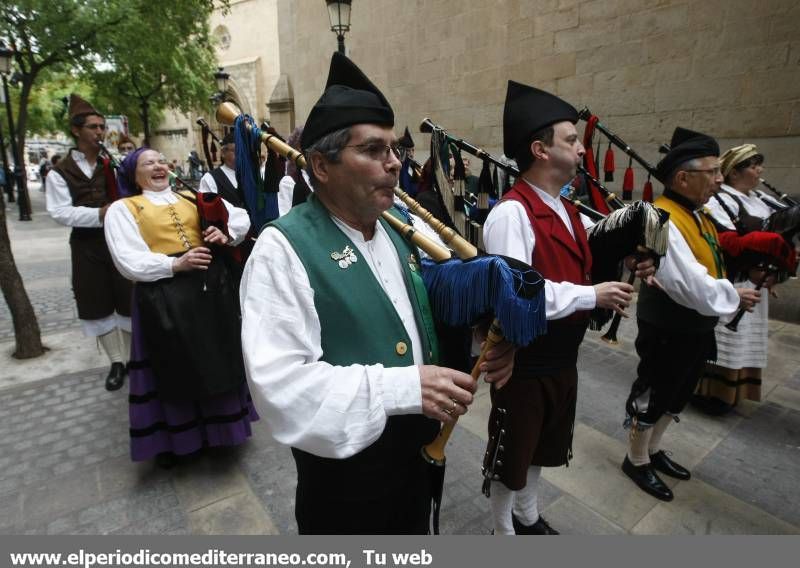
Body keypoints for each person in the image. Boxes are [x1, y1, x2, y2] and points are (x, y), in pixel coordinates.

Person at [240, 52, 514, 534]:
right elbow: (281, 388)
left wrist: (485, 344)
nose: (394, 164)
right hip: (346, 484)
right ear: (321, 166)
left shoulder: (395, 229)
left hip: (415, 458)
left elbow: (415, 322)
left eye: (393, 149)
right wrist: (402, 387)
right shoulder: (282, 249)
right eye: (373, 150)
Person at [481, 81, 653, 535]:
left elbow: (583, 263)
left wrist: (630, 257)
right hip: (526, 358)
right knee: (512, 453)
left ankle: (528, 515)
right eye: (571, 140)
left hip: (562, 356)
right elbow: (518, 293)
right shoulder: (511, 214)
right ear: (539, 149)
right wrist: (591, 296)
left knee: (542, 445)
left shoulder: (567, 209)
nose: (581, 150)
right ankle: (502, 531)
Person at [621, 128, 760, 501]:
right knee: (655, 390)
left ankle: (652, 450)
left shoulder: (698, 213)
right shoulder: (660, 217)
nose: (719, 179)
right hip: (669, 323)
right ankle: (635, 459)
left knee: (679, 391)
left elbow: (713, 258)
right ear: (683, 178)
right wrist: (733, 296)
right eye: (712, 172)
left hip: (695, 323)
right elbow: (687, 283)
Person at [104, 147, 258, 466]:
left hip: (209, 294)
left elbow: (239, 217)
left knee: (216, 359)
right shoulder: (124, 208)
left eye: (161, 161)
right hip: (162, 298)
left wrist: (224, 232)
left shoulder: (192, 197)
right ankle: (181, 440)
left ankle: (222, 435)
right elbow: (127, 260)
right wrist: (174, 266)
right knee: (174, 365)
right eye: (148, 163)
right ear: (134, 175)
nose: (158, 166)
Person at [45, 94, 133, 391]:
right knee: (97, 302)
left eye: (101, 127)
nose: (99, 132)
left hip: (118, 242)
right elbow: (59, 212)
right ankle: (117, 362)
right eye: (93, 127)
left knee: (127, 297)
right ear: (76, 130)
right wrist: (99, 213)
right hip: (86, 246)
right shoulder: (60, 172)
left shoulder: (111, 162)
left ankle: (133, 359)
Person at [694, 144, 776, 415]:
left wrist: (773, 269)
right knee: (723, 338)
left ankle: (731, 393)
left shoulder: (760, 200)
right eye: (753, 166)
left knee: (743, 341)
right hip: (733, 281)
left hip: (754, 284)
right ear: (735, 173)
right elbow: (721, 243)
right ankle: (710, 394)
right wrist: (749, 265)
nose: (759, 171)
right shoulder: (721, 200)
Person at [198, 133, 245, 208]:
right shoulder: (210, 179)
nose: (241, 155)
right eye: (236, 150)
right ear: (223, 153)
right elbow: (209, 212)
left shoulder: (252, 176)